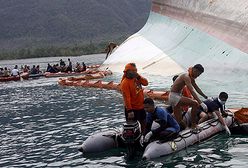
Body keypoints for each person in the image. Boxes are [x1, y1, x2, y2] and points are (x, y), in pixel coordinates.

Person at [169, 64, 208, 131]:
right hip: (175, 96)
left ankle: (186, 130)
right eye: (198, 74)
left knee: (179, 119)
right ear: (195, 70)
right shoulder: (186, 76)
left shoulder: (190, 78)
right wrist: (201, 103)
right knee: (195, 103)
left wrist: (205, 96)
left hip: (173, 97)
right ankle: (194, 125)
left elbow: (197, 88)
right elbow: (192, 91)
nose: (197, 76)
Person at [120, 63, 148, 134]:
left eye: (136, 70)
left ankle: (144, 137)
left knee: (144, 125)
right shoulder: (125, 83)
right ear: (128, 72)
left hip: (141, 107)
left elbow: (146, 83)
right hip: (132, 109)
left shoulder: (137, 78)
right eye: (134, 71)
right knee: (132, 128)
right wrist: (129, 110)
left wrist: (139, 77)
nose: (136, 72)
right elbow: (127, 98)